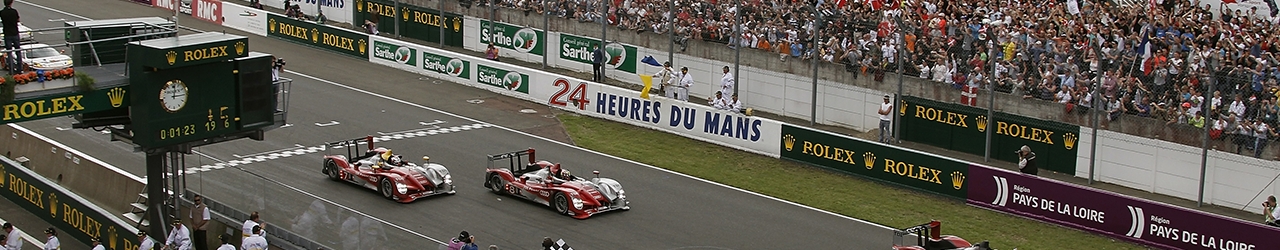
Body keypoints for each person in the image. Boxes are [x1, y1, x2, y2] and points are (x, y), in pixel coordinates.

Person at [0, 0, 19, 74]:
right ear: (11, 3)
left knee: (9, 52)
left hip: (7, 34)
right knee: (18, 51)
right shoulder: (14, 11)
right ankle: (19, 68)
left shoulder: (2, 12)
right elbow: (18, 20)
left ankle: (11, 70)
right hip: (15, 32)